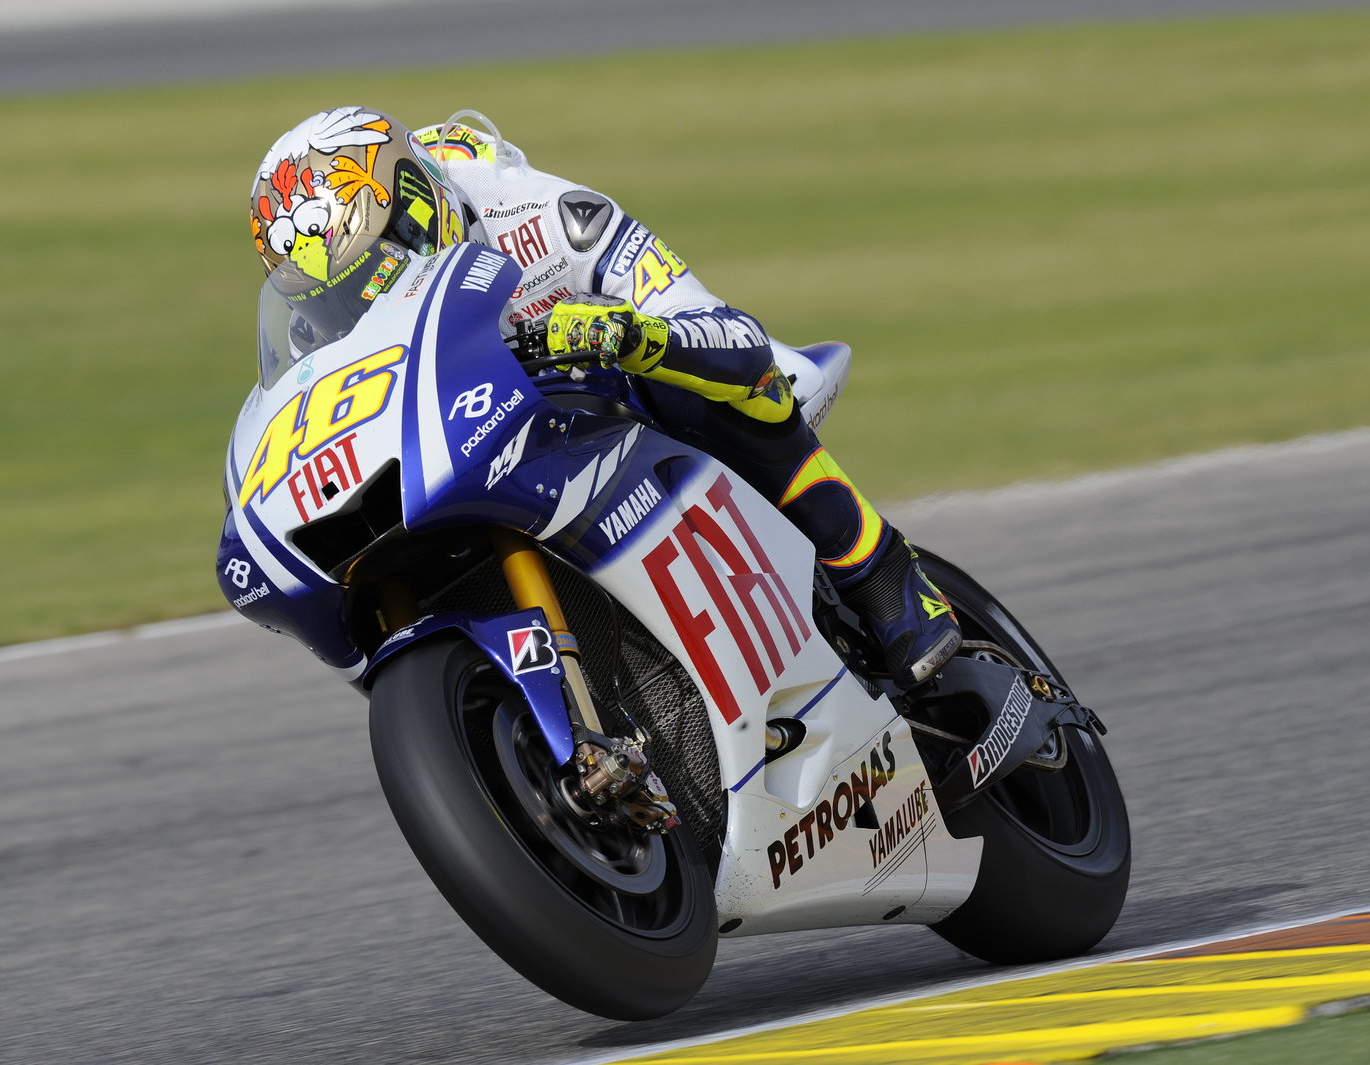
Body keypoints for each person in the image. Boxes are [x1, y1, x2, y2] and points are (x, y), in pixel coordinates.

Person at [248, 106, 961, 687]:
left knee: (731, 372)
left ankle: (879, 569)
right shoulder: (320, 328)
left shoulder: (528, 209)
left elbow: (733, 339)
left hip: (620, 380)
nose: (356, 296)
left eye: (371, 266)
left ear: (414, 205)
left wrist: (627, 335)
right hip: (497, 442)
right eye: (328, 291)